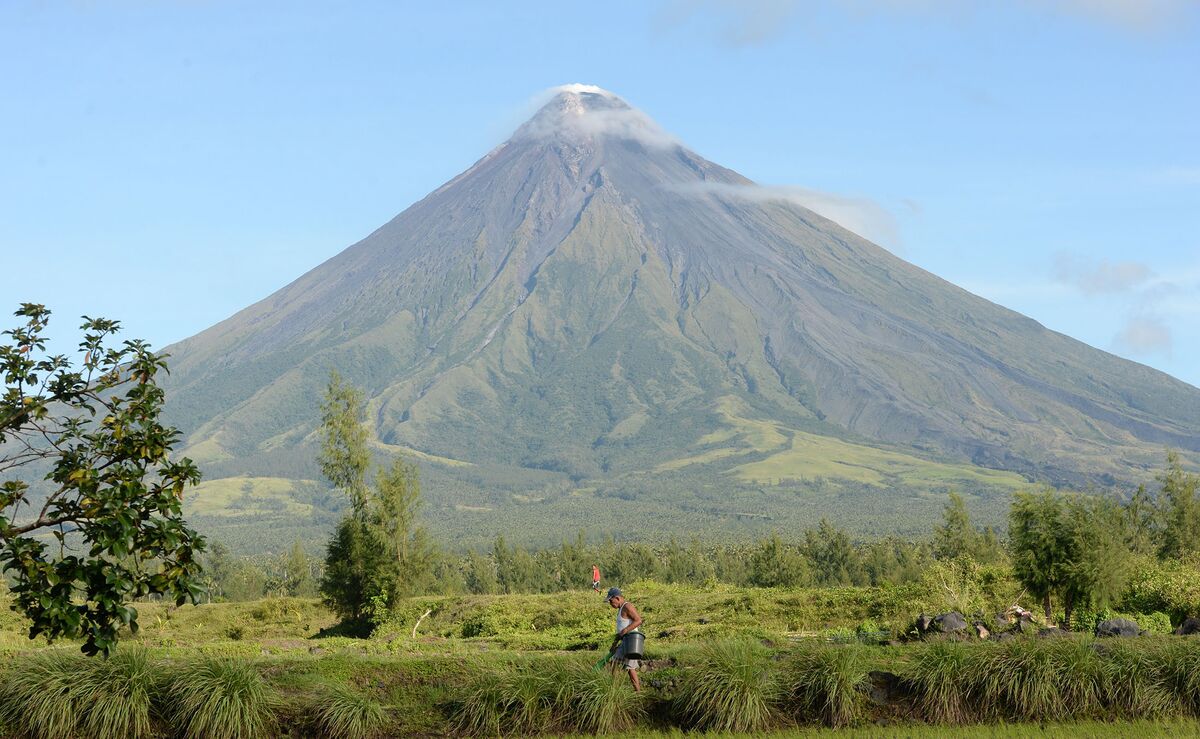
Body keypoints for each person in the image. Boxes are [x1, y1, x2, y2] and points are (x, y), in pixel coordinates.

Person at [605, 587, 643, 692]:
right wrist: (614, 644)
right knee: (619, 665)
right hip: (625, 641)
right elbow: (620, 632)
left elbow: (638, 620)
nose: (610, 604)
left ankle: (634, 693)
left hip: (632, 641)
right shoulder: (620, 609)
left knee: (626, 667)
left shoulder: (627, 606)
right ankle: (615, 690)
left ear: (617, 598)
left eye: (610, 601)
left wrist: (626, 630)